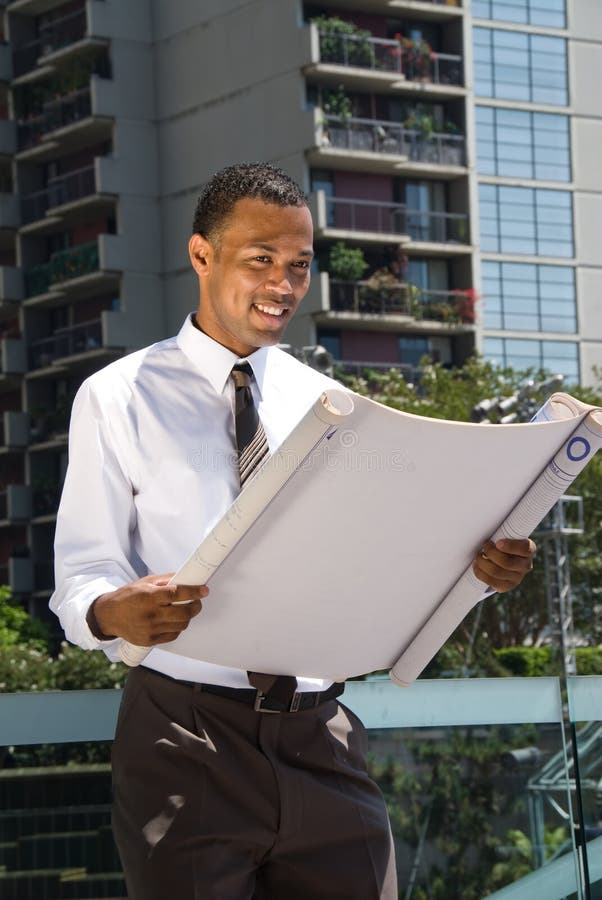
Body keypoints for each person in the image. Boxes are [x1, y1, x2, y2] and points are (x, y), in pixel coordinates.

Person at [50, 162, 536, 900]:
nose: (282, 284)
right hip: (184, 740)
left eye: (299, 266)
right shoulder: (117, 398)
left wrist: (478, 570)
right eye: (261, 261)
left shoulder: (331, 402)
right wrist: (112, 611)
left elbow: (379, 561)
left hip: (324, 737)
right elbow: (81, 577)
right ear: (202, 255)